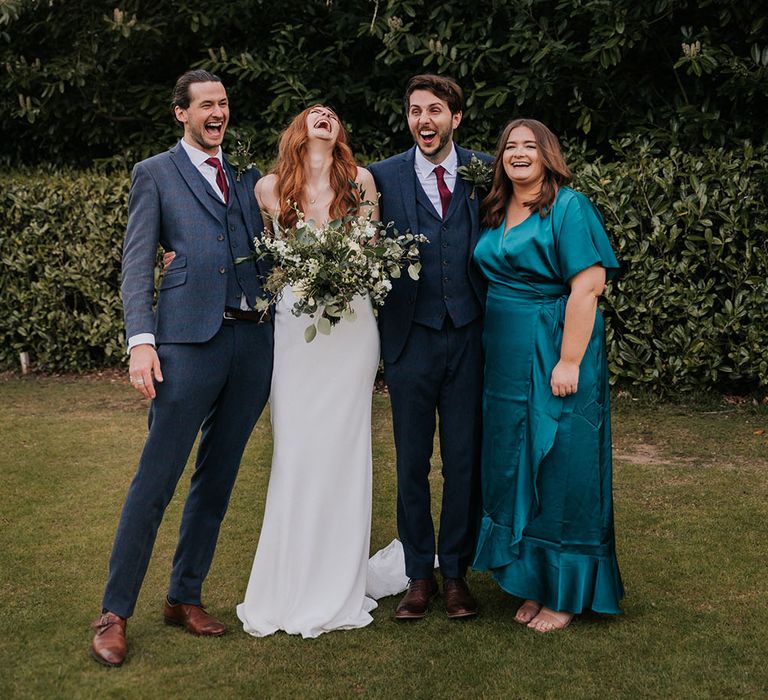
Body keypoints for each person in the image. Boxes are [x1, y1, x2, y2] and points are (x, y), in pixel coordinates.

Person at [90, 70, 273, 666]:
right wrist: (142, 342)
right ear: (181, 114)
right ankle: (114, 613)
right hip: (185, 345)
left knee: (217, 478)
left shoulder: (248, 174)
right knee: (156, 480)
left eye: (223, 103)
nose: (217, 112)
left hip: (251, 344)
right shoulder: (155, 174)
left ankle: (184, 596)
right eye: (206, 105)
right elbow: (137, 263)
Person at [471, 118, 624, 632]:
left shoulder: (568, 205)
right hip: (505, 359)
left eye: (528, 145)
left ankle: (564, 591)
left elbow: (589, 285)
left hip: (557, 346)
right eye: (509, 145)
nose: (517, 153)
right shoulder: (495, 207)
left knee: (562, 461)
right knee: (513, 461)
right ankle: (534, 581)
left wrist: (570, 359)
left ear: (547, 154)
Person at [235, 105, 382, 638]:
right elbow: (262, 256)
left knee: (345, 445)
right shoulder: (270, 189)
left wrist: (344, 271)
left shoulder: (360, 181)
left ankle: (339, 578)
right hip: (298, 325)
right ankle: (290, 577)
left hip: (352, 323)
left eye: (333, 113)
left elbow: (368, 251)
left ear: (340, 132)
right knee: (296, 446)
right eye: (313, 112)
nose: (324, 115)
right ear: (298, 130)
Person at [368, 75, 491, 619]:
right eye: (415, 110)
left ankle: (457, 574)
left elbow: (538, 207)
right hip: (409, 339)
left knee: (464, 460)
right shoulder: (381, 176)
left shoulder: (485, 170)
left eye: (435, 110)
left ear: (455, 118)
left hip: (470, 336)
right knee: (412, 461)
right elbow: (310, 181)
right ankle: (419, 573)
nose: (424, 120)